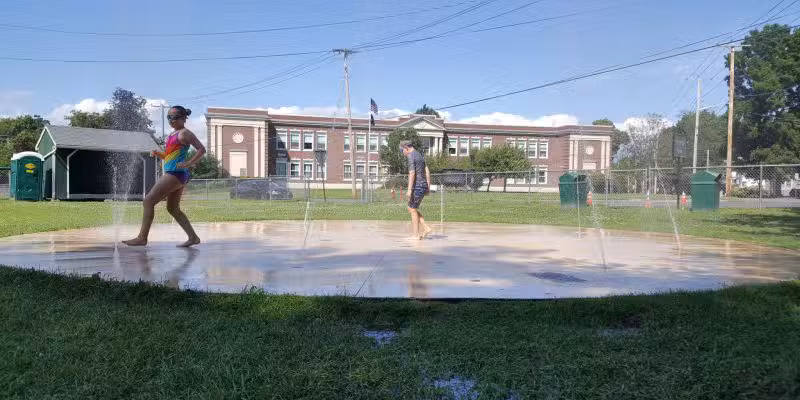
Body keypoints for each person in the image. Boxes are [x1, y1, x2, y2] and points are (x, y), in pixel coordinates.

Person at [123, 106, 205, 247]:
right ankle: (193, 238)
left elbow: (201, 149)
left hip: (175, 174)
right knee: (172, 208)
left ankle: (142, 238)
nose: (170, 120)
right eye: (168, 117)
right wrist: (159, 154)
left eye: (173, 117)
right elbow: (169, 156)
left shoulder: (185, 133)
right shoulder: (171, 135)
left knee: (148, 201)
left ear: (183, 118)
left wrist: (188, 163)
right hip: (175, 173)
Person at [400, 140, 433, 240]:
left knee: (412, 209)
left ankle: (416, 235)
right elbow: (427, 171)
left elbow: (412, 173)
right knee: (412, 208)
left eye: (402, 151)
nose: (402, 153)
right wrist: (427, 186)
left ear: (406, 148)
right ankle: (425, 227)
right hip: (422, 185)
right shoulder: (420, 155)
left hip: (417, 186)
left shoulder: (411, 156)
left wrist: (409, 189)